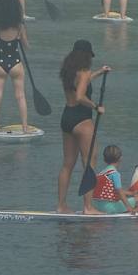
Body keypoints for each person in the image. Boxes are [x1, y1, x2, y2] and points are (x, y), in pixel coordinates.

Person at [55, 41, 112, 213]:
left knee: (67, 165)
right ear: (86, 56)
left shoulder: (68, 72)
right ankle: (88, 207)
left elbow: (81, 83)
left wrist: (99, 73)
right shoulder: (84, 72)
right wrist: (96, 107)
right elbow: (80, 96)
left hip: (67, 118)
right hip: (82, 120)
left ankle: (61, 205)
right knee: (89, 163)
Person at [0, 0, 33, 135]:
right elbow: (26, 46)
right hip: (16, 64)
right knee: (20, 96)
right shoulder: (19, 26)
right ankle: (25, 128)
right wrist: (22, 35)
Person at [90, 144, 138, 215]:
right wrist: (129, 207)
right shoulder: (115, 173)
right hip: (109, 208)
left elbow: (113, 190)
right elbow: (119, 192)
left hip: (97, 207)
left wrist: (131, 193)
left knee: (131, 196)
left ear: (105, 159)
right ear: (120, 158)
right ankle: (136, 210)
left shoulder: (101, 173)